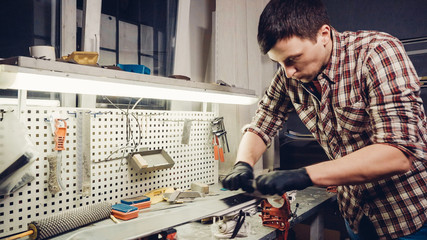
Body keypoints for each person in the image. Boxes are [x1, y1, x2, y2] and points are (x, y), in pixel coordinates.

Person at [221, 0, 427, 239]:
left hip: (408, 214)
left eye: (292, 59)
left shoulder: (377, 52)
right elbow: (264, 120)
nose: (287, 72)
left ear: (324, 34)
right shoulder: (290, 74)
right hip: (356, 213)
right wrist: (243, 163)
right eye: (278, 62)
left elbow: (398, 152)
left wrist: (303, 175)